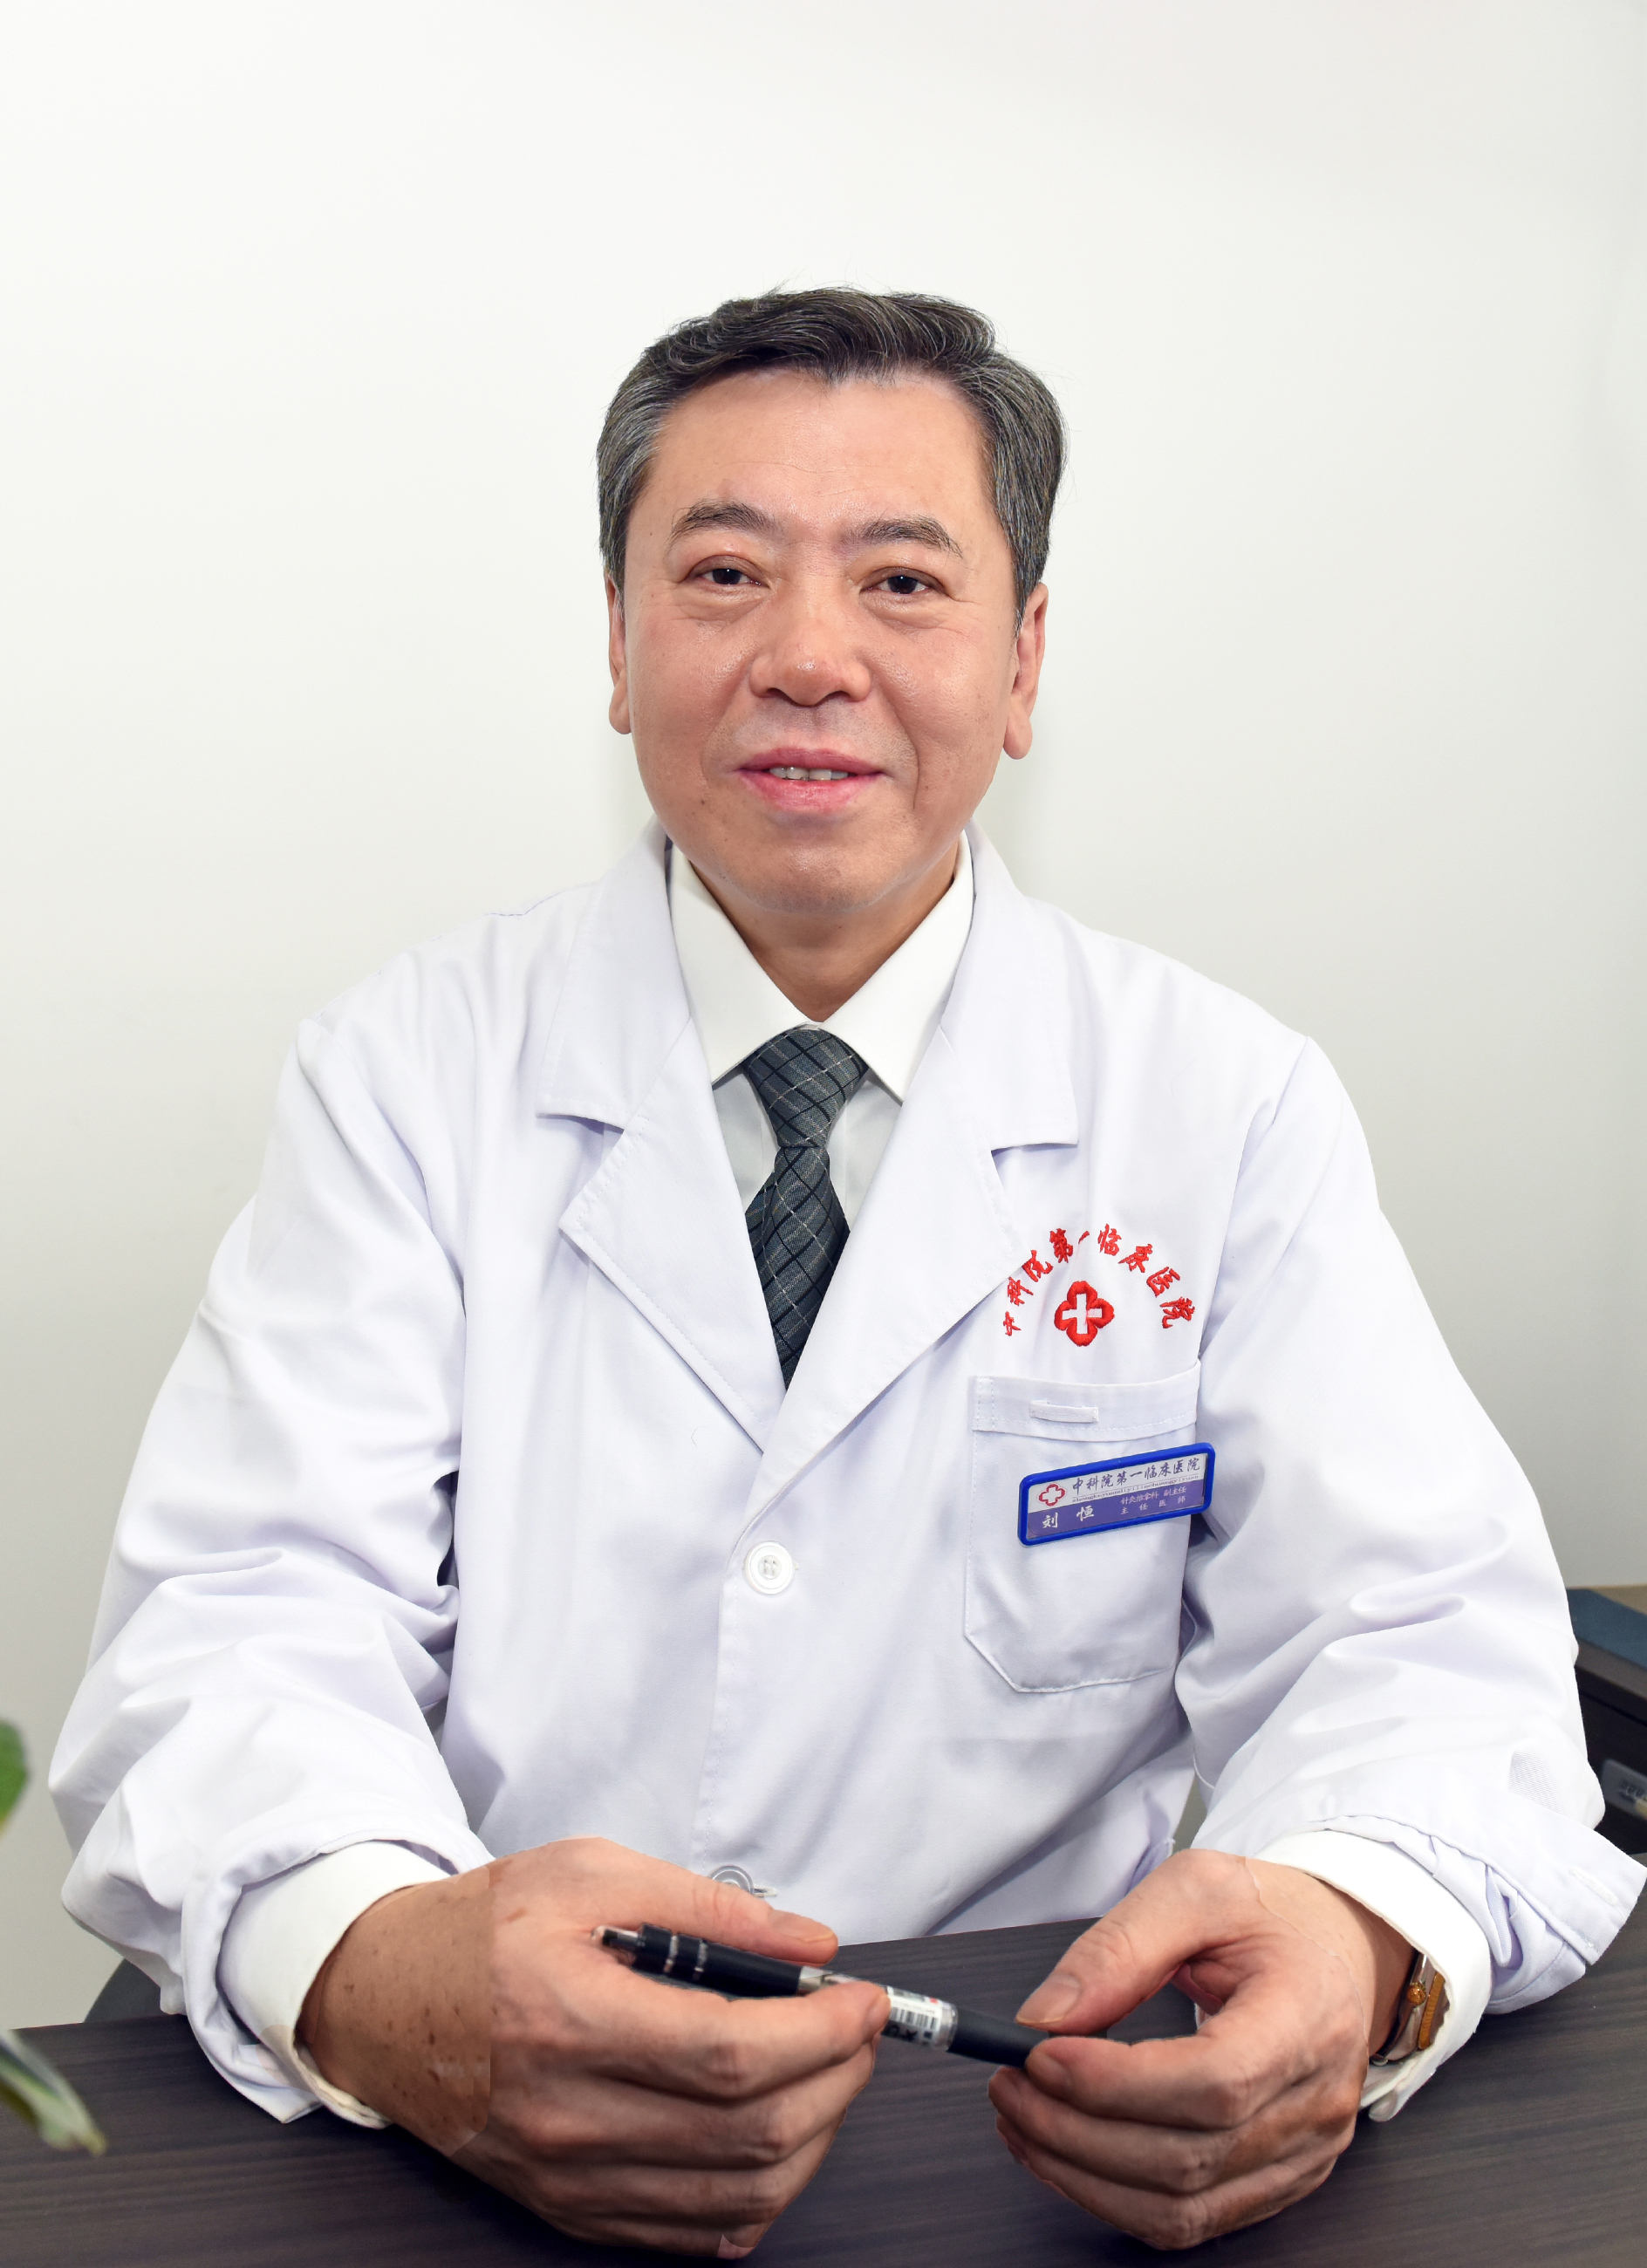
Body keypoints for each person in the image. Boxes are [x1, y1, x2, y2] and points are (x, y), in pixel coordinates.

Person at [51, 289, 1639, 2255]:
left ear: (1023, 660)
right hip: (471, 2138)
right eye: (723, 573)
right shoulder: (408, 1072)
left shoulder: (1219, 1105)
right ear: (617, 643)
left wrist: (1348, 1928)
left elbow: (1415, 1639)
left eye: (902, 580)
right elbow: (246, 1616)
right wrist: (386, 1969)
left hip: (1014, 2130)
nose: (808, 658)